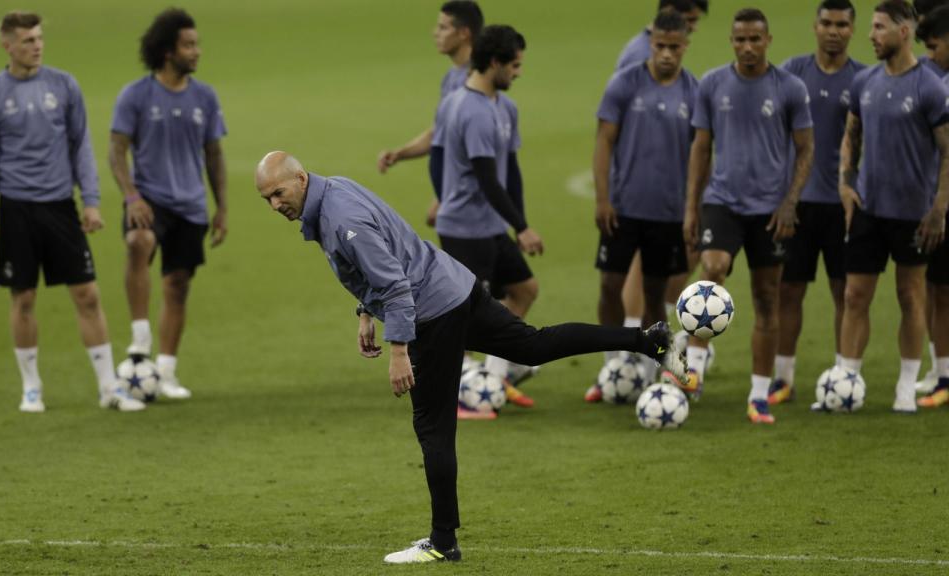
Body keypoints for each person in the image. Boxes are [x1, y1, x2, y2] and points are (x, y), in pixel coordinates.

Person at [253, 151, 686, 564]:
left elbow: (395, 285)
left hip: (431, 311)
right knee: (533, 344)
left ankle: (443, 542)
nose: (274, 205)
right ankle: (648, 341)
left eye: (278, 193)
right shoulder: (336, 190)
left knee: (432, 426)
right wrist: (366, 312)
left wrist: (399, 349)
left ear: (301, 179)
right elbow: (380, 261)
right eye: (266, 199)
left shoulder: (341, 220)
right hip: (454, 286)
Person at [0, 12, 143, 413]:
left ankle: (108, 387)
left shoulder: (64, 86)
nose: (37, 45)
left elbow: (81, 145)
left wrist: (93, 201)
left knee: (87, 293)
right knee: (24, 297)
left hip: (60, 206)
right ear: (7, 45)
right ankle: (31, 386)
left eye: (40, 38)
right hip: (16, 209)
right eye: (28, 40)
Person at [683, 8, 814, 424]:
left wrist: (791, 201)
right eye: (740, 39)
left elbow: (806, 148)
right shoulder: (712, 83)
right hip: (723, 200)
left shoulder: (789, 88)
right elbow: (701, 147)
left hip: (771, 210)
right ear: (732, 41)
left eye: (755, 39)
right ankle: (695, 369)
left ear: (768, 41)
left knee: (766, 298)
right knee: (713, 268)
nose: (747, 47)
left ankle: (759, 394)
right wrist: (691, 207)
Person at [109, 8, 228, 399]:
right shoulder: (136, 95)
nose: (197, 51)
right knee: (138, 243)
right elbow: (116, 150)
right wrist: (131, 197)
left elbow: (214, 155)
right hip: (149, 200)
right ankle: (140, 338)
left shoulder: (204, 97)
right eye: (188, 45)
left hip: (190, 205)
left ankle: (166, 372)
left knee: (178, 285)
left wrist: (221, 207)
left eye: (197, 44)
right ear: (167, 51)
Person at [839, 0, 949, 413]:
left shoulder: (930, 87)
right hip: (869, 209)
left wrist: (939, 207)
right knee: (854, 296)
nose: (871, 35)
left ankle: (906, 387)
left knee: (910, 296)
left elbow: (947, 151)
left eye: (880, 28)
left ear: (904, 32)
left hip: (913, 214)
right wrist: (846, 184)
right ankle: (847, 380)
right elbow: (852, 136)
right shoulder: (865, 81)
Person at [587, 11, 698, 403]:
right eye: (660, 46)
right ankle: (613, 362)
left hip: (667, 213)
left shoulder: (693, 92)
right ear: (651, 43)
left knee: (656, 294)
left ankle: (656, 367)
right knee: (610, 285)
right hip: (623, 208)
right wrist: (603, 198)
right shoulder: (625, 83)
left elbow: (701, 156)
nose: (666, 54)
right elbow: (604, 142)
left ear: (685, 46)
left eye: (674, 47)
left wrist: (692, 208)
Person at [436, 24, 545, 415]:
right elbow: (485, 179)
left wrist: (519, 222)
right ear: (495, 62)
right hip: (465, 228)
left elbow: (509, 172)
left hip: (491, 226)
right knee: (465, 318)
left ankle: (493, 379)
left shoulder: (505, 107)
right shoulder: (469, 109)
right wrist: (522, 226)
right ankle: (455, 393)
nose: (518, 72)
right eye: (514, 65)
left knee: (525, 289)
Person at [769, 0, 865, 405]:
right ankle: (783, 377)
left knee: (845, 292)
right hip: (799, 204)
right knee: (788, 291)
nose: (833, 30)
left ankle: (844, 376)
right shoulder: (792, 73)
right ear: (815, 26)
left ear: (852, 30)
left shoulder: (864, 79)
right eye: (827, 22)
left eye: (842, 24)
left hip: (844, 206)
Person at [613, 0, 708, 353]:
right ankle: (637, 346)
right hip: (641, 188)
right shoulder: (638, 58)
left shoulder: (682, 77)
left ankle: (651, 343)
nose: (690, 28)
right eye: (689, 20)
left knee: (662, 269)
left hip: (658, 187)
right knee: (643, 271)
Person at [376, 0, 483, 229]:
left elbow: (470, 148)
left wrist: (446, 197)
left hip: (469, 208)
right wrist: (400, 154)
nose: (435, 33)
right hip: (454, 201)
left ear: (464, 33)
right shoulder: (452, 77)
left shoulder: (477, 81)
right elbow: (441, 133)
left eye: (443, 27)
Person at [914, 5, 949, 402]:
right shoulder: (927, 76)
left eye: (934, 45)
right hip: (931, 200)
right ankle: (941, 371)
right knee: (932, 286)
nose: (929, 51)